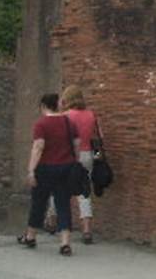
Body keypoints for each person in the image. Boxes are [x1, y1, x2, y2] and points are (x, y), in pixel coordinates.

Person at [20, 93, 79, 256]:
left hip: (45, 168)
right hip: (65, 167)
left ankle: (31, 236)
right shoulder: (69, 122)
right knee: (63, 204)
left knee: (39, 202)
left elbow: (38, 146)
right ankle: (65, 242)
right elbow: (77, 145)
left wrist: (31, 170)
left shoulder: (41, 124)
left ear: (44, 106)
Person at [60, 85, 101, 244]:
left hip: (70, 156)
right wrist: (96, 158)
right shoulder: (91, 115)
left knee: (61, 189)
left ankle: (53, 219)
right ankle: (87, 230)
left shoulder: (66, 116)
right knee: (84, 192)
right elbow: (97, 138)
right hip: (88, 156)